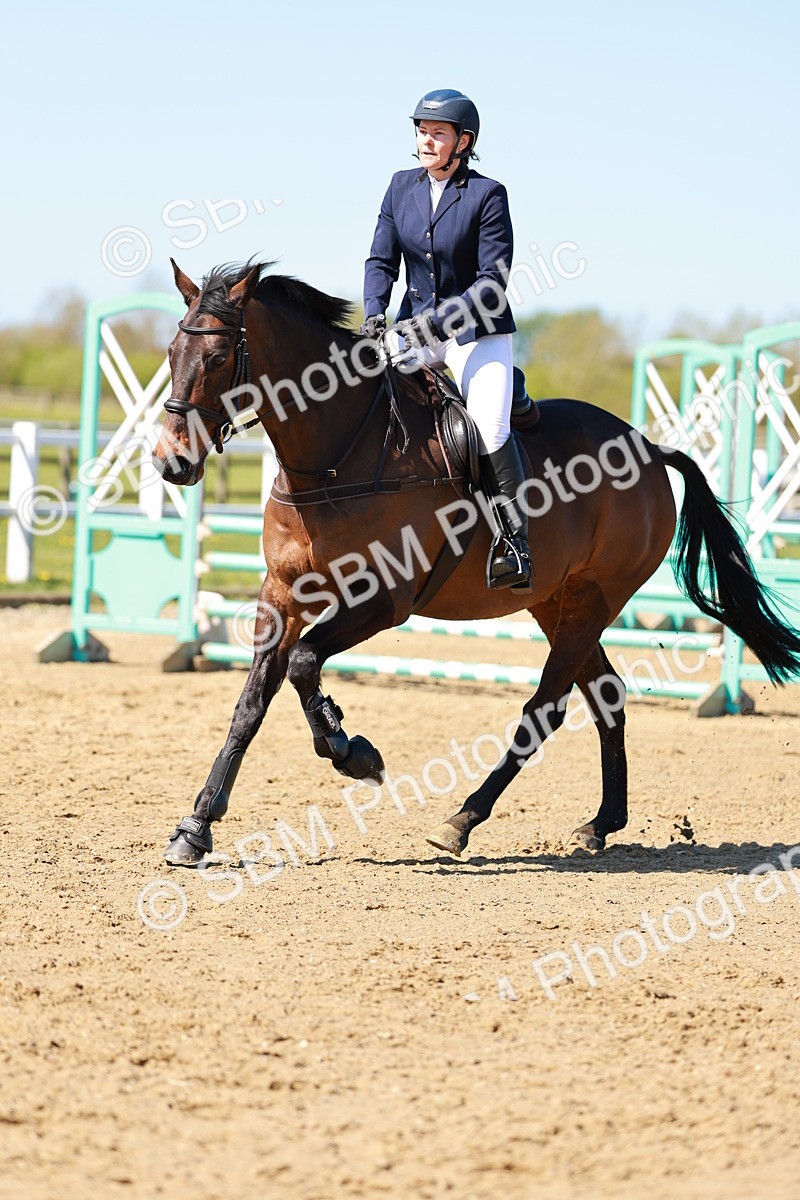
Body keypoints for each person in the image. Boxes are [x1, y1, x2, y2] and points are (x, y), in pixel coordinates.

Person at [361, 88, 532, 590]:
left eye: (437, 133)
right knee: (363, 395)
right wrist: (375, 314)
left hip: (475, 332)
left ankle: (513, 543)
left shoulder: (486, 194)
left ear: (464, 142)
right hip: (411, 328)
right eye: (421, 132)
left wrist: (439, 324)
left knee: (487, 427)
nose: (426, 141)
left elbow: (490, 282)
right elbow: (380, 261)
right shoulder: (399, 188)